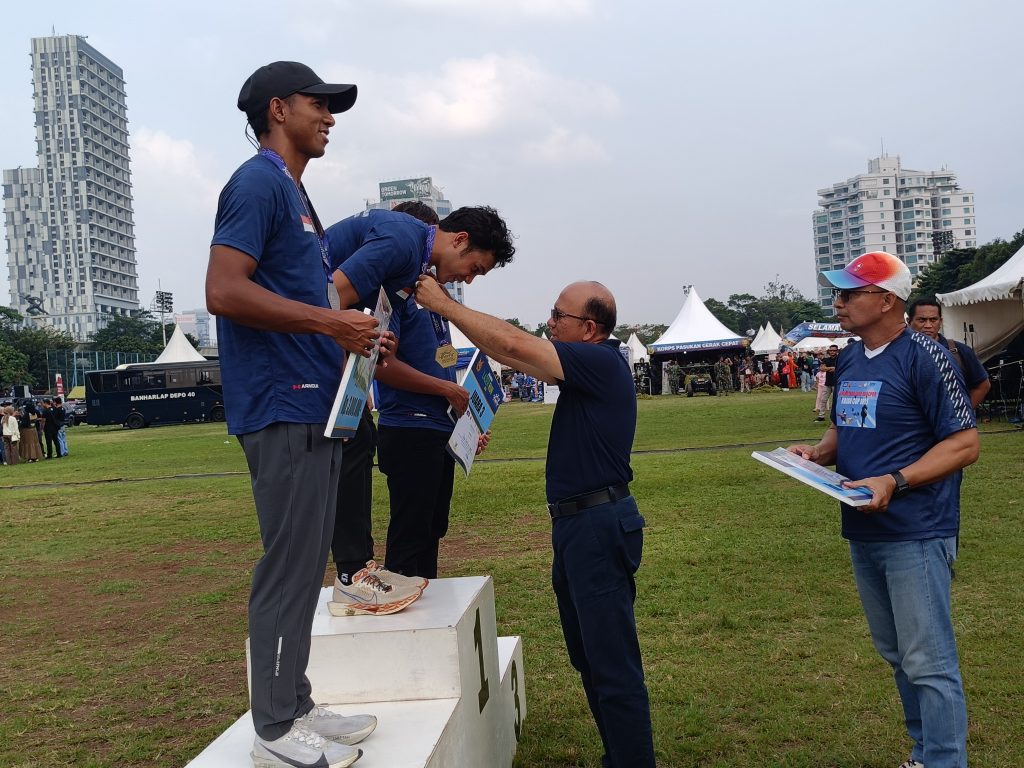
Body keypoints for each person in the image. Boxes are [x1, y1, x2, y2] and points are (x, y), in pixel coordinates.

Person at [205, 61, 388, 768]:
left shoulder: (294, 196)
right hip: (282, 406)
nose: (331, 116)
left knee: (308, 561)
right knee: (288, 566)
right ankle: (275, 729)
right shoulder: (256, 183)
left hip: (314, 405)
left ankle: (297, 701)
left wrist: (357, 330)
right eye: (319, 103)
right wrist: (328, 323)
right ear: (278, 109)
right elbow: (223, 289)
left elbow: (305, 305)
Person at [415, 276, 655, 768]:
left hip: (596, 525)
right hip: (577, 526)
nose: (549, 323)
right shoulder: (585, 367)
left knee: (612, 665)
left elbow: (513, 342)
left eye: (557, 316)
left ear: (590, 328)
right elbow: (510, 355)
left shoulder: (600, 360)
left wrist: (443, 304)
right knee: (589, 657)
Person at [790, 251, 979, 768]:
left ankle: (943, 760)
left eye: (850, 293)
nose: (839, 302)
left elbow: (964, 445)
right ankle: (923, 753)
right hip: (865, 527)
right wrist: (818, 453)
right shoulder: (850, 357)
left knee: (929, 661)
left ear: (888, 300)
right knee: (898, 653)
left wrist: (896, 480)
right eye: (839, 292)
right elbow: (845, 426)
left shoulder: (926, 354)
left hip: (916, 531)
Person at [324, 203, 515, 586]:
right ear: (455, 239)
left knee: (426, 527)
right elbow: (330, 301)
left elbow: (381, 345)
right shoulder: (403, 242)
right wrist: (354, 344)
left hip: (432, 425)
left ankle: (369, 573)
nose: (469, 279)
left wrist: (465, 421)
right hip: (403, 423)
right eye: (474, 269)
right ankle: (355, 571)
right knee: (355, 446)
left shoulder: (422, 283)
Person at [907, 297, 991, 408]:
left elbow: (983, 385)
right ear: (909, 322)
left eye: (933, 320)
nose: (928, 325)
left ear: (940, 322)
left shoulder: (959, 351)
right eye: (921, 320)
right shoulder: (900, 352)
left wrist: (963, 415)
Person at [815, 343, 840, 421]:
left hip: (836, 382)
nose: (832, 352)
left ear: (837, 351)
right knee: (823, 399)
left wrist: (827, 368)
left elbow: (839, 369)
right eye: (831, 350)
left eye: (834, 350)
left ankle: (837, 416)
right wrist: (832, 368)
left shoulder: (839, 359)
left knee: (836, 400)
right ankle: (821, 415)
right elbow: (822, 368)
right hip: (827, 383)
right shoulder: (826, 359)